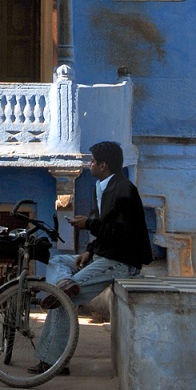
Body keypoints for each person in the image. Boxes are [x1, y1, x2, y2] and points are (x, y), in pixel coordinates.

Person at [32, 140, 153, 374]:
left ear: (103, 165)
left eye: (93, 161)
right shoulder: (103, 187)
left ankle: (52, 362)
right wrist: (89, 250)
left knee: (63, 298)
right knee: (58, 261)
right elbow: (105, 230)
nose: (90, 165)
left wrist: (89, 224)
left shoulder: (124, 190)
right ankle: (62, 288)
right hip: (102, 255)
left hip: (120, 261)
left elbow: (120, 233)